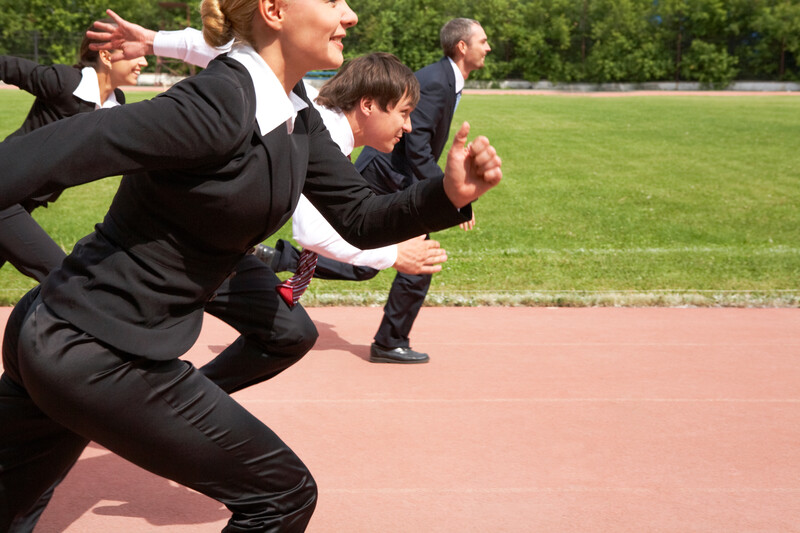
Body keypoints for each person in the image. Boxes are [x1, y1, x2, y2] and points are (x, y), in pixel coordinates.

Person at [0, 1, 502, 531]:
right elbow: (36, 159)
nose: (350, 14)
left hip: (79, 340)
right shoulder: (216, 106)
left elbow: (358, 215)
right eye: (332, 1)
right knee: (281, 494)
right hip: (95, 349)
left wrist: (446, 194)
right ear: (273, 10)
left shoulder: (293, 112)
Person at [86, 16, 447, 284]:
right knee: (285, 334)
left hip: (200, 245)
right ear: (368, 105)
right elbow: (315, 233)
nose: (410, 127)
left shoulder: (302, 99)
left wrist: (153, 41)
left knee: (288, 334)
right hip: (175, 252)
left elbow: (230, 49)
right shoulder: (319, 131)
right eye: (404, 113)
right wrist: (393, 254)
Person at [355, 18, 491, 364]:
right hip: (386, 175)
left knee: (408, 260)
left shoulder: (446, 80)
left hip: (399, 176)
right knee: (374, 258)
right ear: (463, 46)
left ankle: (390, 340)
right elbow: (416, 146)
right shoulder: (435, 82)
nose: (488, 47)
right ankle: (283, 260)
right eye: (483, 41)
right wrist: (450, 196)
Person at [0, 24, 147, 282]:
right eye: (135, 53)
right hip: (5, 194)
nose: (143, 61)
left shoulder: (116, 105)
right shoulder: (65, 82)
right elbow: (7, 66)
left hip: (23, 202)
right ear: (106, 56)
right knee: (64, 277)